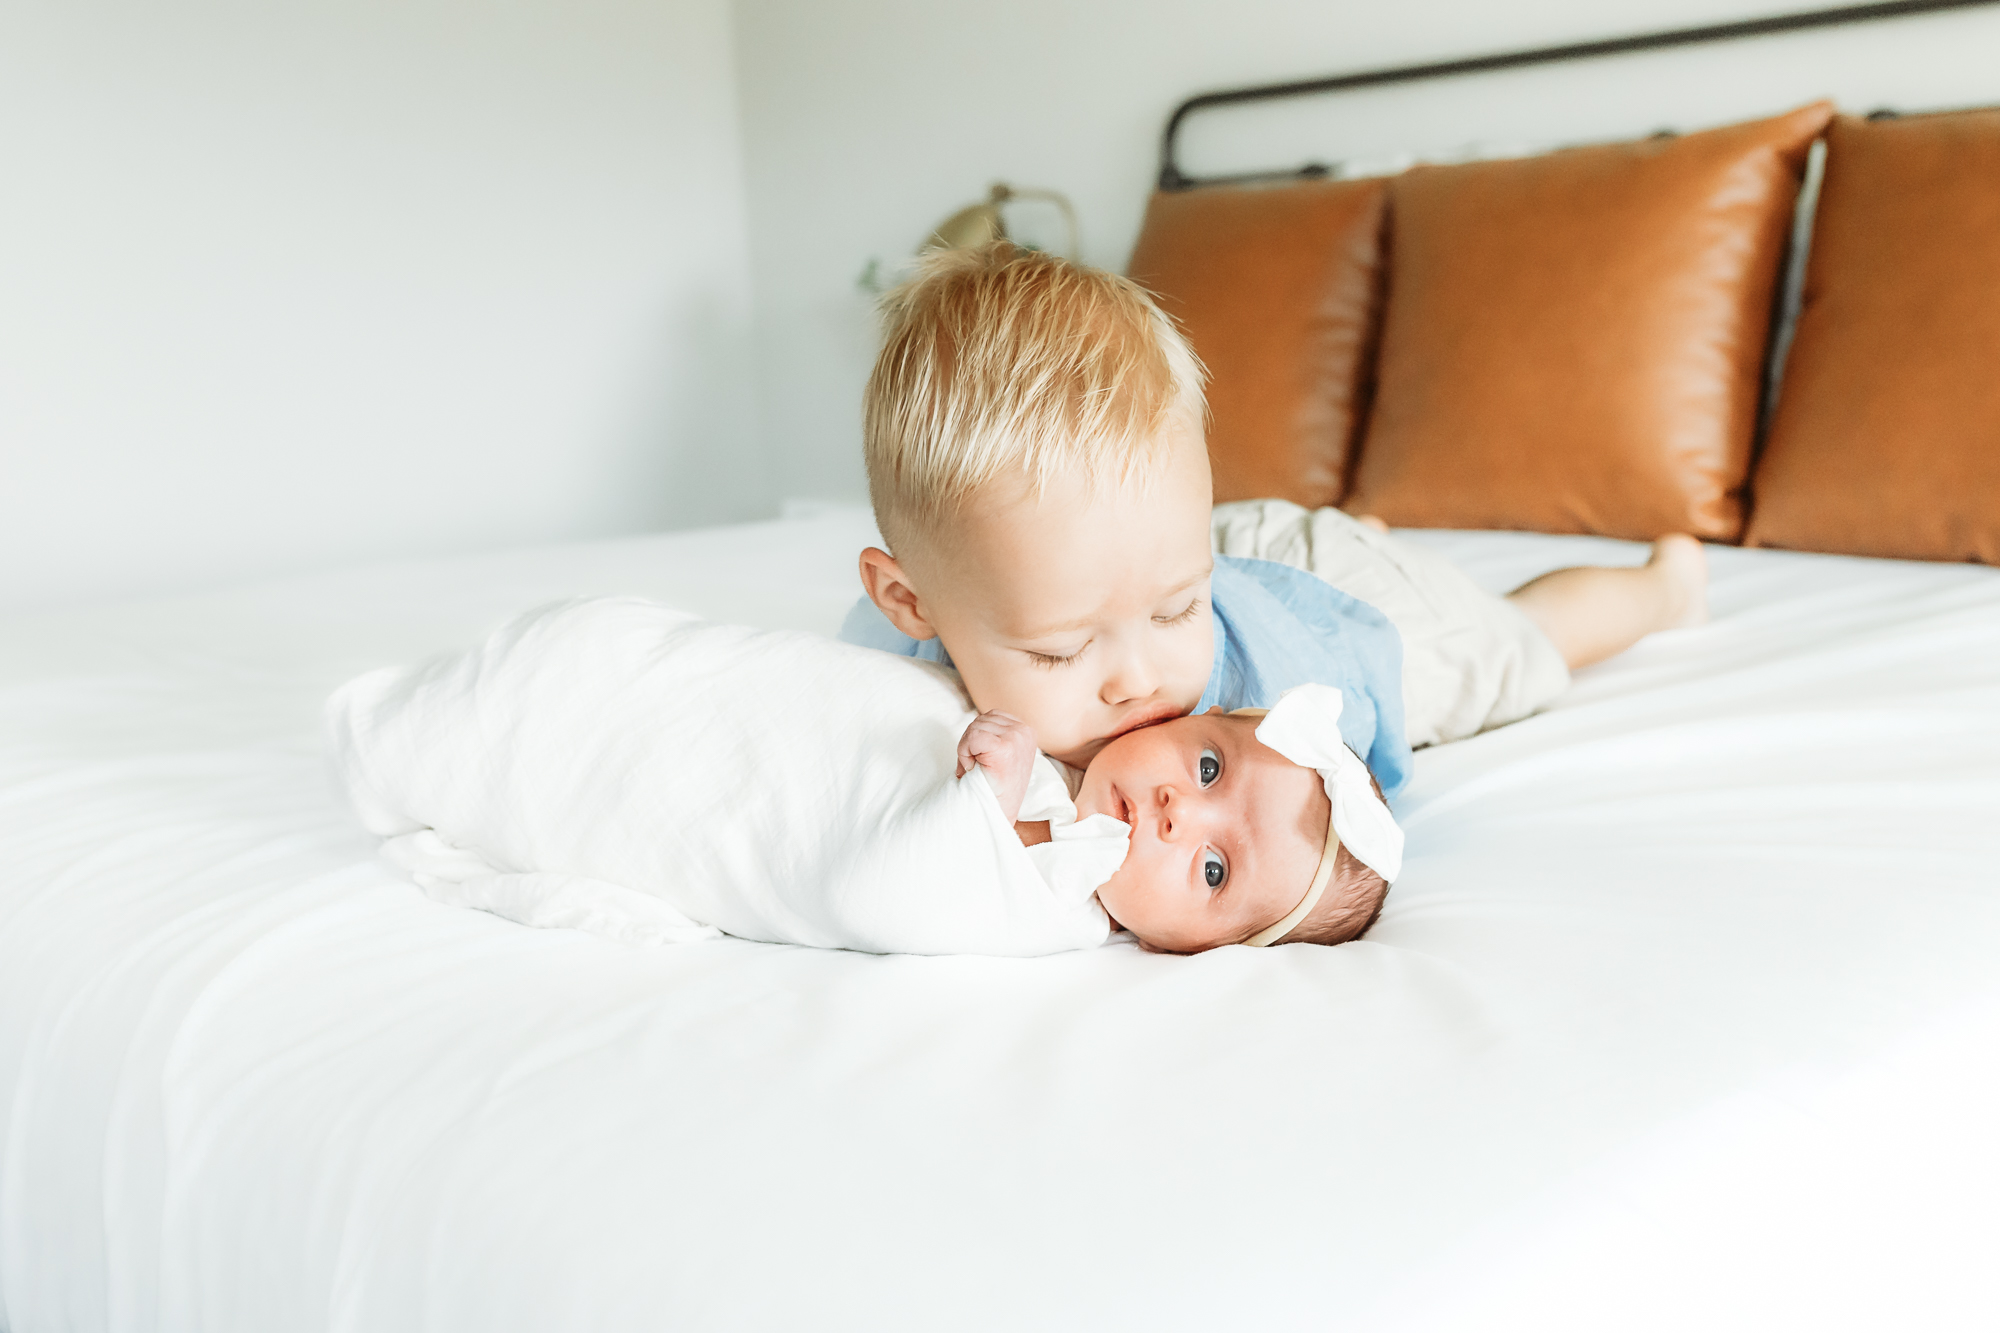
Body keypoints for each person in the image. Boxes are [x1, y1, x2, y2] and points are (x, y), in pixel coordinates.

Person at [841, 242, 1707, 806]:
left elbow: (1345, 803)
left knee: (1510, 647)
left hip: (1305, 596)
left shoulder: (1284, 691)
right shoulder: (877, 673)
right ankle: (1314, 547)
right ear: (908, 601)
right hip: (1199, 554)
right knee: (1205, 580)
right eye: (1061, 651)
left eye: (1174, 615)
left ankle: (1663, 586)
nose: (1138, 682)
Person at [960, 682, 1402, 954]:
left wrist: (992, 800)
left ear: (1187, 949)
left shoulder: (1064, 918)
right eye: (1208, 769)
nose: (1180, 810)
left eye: (1215, 871)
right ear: (1197, 718)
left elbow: (940, 893)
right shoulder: (1059, 708)